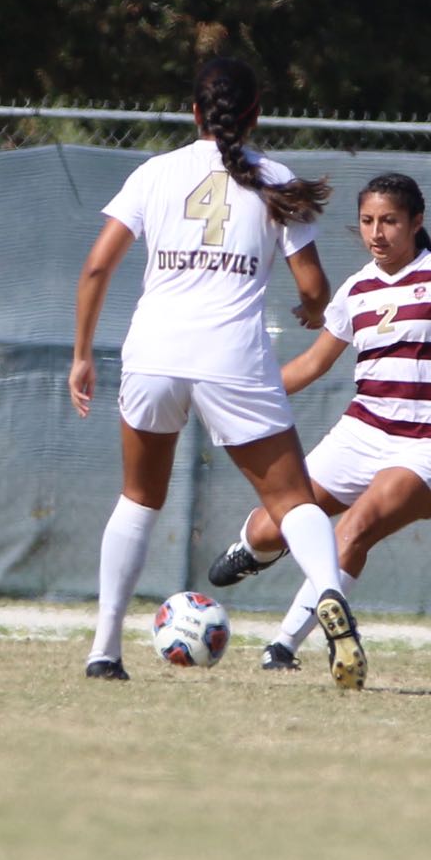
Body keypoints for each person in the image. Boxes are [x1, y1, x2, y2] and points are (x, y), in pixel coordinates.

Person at [69, 56, 368, 689]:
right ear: (255, 114)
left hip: (153, 353)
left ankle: (103, 651)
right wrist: (314, 310)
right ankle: (327, 591)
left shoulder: (155, 173)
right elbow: (315, 286)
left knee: (138, 498)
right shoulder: (274, 178)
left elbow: (97, 267)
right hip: (232, 355)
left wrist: (82, 354)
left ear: (195, 112)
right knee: (291, 501)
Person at [206, 174, 431, 669]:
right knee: (267, 528)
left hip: (428, 445)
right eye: (367, 221)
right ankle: (258, 549)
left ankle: (282, 648)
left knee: (355, 529)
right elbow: (311, 364)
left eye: (389, 221)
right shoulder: (356, 289)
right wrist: (239, 393)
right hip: (360, 434)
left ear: (416, 222)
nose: (376, 233)